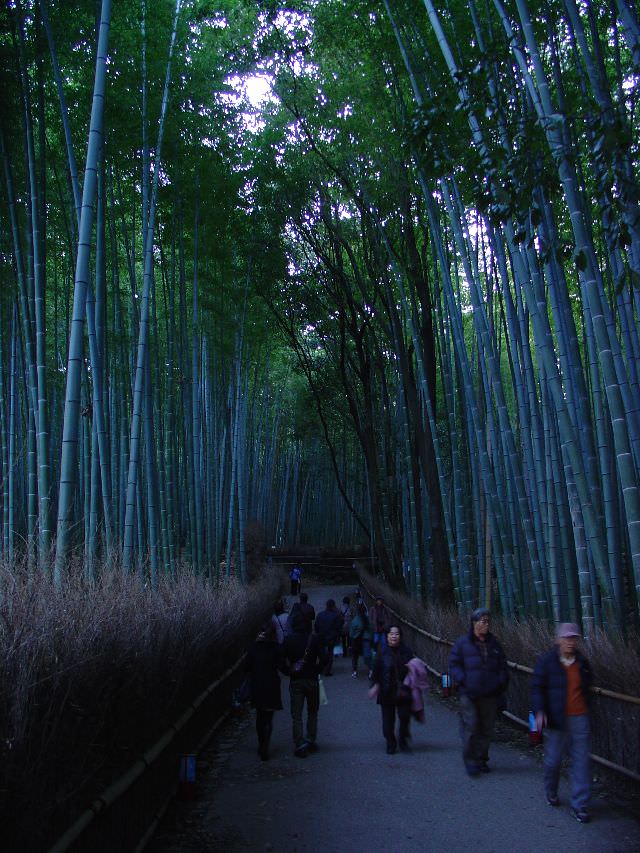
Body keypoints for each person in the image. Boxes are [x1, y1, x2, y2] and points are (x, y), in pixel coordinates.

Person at [531, 623, 593, 823]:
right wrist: (540, 712)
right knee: (553, 760)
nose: (570, 641)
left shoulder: (582, 662)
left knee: (581, 761)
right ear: (558, 639)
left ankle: (580, 805)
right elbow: (537, 688)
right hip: (556, 719)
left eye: (573, 638)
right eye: (566, 638)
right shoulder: (546, 662)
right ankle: (551, 790)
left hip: (579, 717)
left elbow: (587, 686)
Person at [448, 607, 509, 776]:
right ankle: (471, 760)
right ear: (474, 623)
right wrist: (463, 680)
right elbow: (454, 663)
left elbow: (502, 665)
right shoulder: (463, 643)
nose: (486, 625)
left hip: (490, 693)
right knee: (471, 726)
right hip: (469, 693)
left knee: (487, 728)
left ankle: (482, 758)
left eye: (488, 621)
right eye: (483, 621)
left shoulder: (494, 643)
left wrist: (500, 682)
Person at [283, 612, 328, 757]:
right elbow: (324, 658)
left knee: (297, 714)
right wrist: (317, 669)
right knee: (312, 712)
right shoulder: (313, 639)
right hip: (312, 679)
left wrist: (289, 670)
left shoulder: (288, 640)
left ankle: (299, 742)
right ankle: (311, 738)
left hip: (296, 680)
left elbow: (279, 658)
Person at [245, 622, 287, 761]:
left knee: (259, 716)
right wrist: (293, 670)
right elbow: (282, 667)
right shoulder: (276, 648)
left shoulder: (253, 648)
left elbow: (246, 667)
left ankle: (261, 743)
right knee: (268, 717)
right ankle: (265, 746)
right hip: (271, 684)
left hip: (257, 684)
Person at [369, 625, 415, 753]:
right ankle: (391, 742)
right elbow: (376, 671)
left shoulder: (406, 651)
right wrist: (374, 685)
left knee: (404, 717)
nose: (394, 636)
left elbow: (414, 670)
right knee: (388, 723)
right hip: (386, 691)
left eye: (397, 634)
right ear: (387, 636)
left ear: (400, 636)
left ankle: (403, 740)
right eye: (391, 634)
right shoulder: (381, 652)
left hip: (404, 690)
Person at [314, 599, 344, 675]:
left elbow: (316, 626)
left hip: (321, 637)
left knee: (321, 653)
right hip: (331, 637)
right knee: (330, 653)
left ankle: (321, 667)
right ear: (333, 606)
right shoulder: (336, 616)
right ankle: (327, 670)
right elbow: (338, 627)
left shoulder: (320, 615)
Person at [349, 602, 371, 677]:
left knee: (355, 656)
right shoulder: (368, 619)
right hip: (366, 640)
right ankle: (371, 670)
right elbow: (371, 629)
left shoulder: (355, 620)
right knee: (367, 656)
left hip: (356, 640)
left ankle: (354, 671)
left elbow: (351, 633)